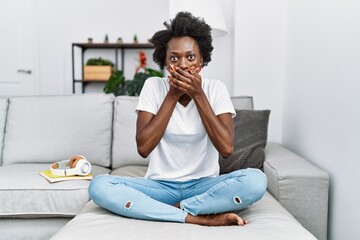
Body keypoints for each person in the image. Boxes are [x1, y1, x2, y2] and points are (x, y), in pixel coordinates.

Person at [89, 11, 267, 227]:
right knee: (99, 186)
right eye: (174, 58)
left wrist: (198, 95)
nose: (182, 65)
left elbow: (226, 148)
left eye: (190, 57)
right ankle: (196, 216)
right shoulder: (154, 87)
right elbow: (144, 147)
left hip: (205, 185)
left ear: (201, 60)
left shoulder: (215, 89)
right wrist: (172, 95)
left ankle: (171, 211)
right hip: (160, 187)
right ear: (165, 61)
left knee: (256, 181)